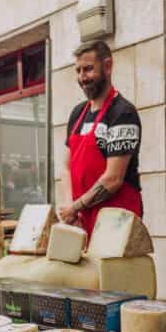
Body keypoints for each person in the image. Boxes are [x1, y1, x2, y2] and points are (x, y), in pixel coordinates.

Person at [58, 40, 143, 235]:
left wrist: (76, 207)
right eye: (78, 71)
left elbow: (113, 178)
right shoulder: (77, 113)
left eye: (88, 69)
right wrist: (72, 210)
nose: (82, 77)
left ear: (107, 66)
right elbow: (65, 166)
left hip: (116, 223)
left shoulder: (122, 113)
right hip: (82, 220)